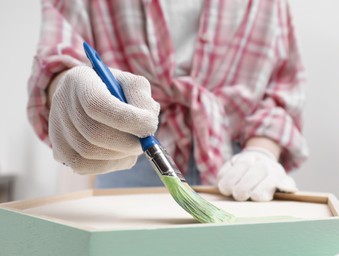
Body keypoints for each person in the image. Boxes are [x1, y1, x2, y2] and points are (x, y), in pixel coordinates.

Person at [27, 0, 308, 202]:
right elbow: (57, 57)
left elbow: (282, 83)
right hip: (126, 156)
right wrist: (67, 90)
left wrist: (261, 154)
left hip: (239, 172)